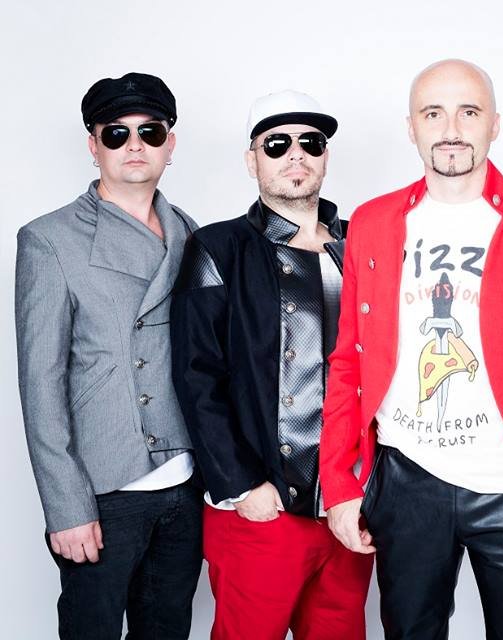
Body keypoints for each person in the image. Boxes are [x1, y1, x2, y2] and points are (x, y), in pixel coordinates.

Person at [320, 59, 503, 639]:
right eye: (434, 113)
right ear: (411, 127)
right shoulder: (372, 223)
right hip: (406, 479)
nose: (451, 129)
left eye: (468, 112)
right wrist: (340, 485)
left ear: (494, 124)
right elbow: (348, 361)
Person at [170, 90, 373, 640]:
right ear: (251, 159)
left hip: (348, 501)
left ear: (325, 156)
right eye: (277, 144)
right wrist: (243, 484)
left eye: (311, 142)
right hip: (263, 504)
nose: (295, 154)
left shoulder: (361, 245)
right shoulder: (218, 247)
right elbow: (195, 374)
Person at [15, 72, 202, 639]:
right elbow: (40, 385)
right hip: (103, 489)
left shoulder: (191, 232)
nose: (135, 145)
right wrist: (66, 507)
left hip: (185, 483)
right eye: (116, 133)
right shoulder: (49, 240)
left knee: (167, 630)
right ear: (93, 145)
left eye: (150, 131)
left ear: (170, 143)